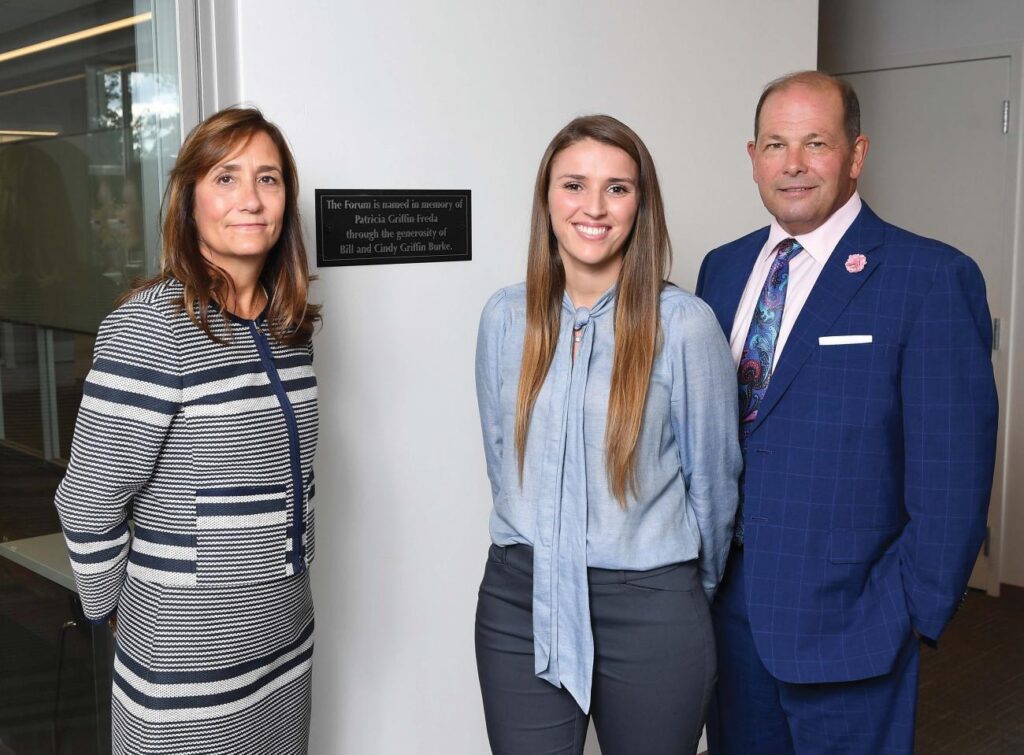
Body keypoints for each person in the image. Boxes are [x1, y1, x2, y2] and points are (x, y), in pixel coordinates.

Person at [696, 71, 998, 754]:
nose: (793, 164)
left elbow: (953, 469)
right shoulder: (722, 269)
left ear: (856, 154)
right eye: (775, 145)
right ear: (752, 158)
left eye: (815, 143)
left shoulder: (928, 277)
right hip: (730, 621)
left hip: (855, 626)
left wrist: (908, 609)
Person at [54, 106, 321, 754]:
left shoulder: (288, 330)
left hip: (283, 650)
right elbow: (88, 501)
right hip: (185, 668)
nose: (250, 199)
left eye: (268, 178)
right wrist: (112, 608)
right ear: (190, 199)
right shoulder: (150, 329)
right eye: (226, 178)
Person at [474, 114, 741, 754]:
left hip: (650, 607)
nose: (593, 207)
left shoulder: (685, 326)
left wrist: (668, 591)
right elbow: (501, 461)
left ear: (640, 205)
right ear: (547, 197)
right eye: (574, 184)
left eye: (617, 188)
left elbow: (713, 484)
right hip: (520, 598)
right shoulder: (505, 317)